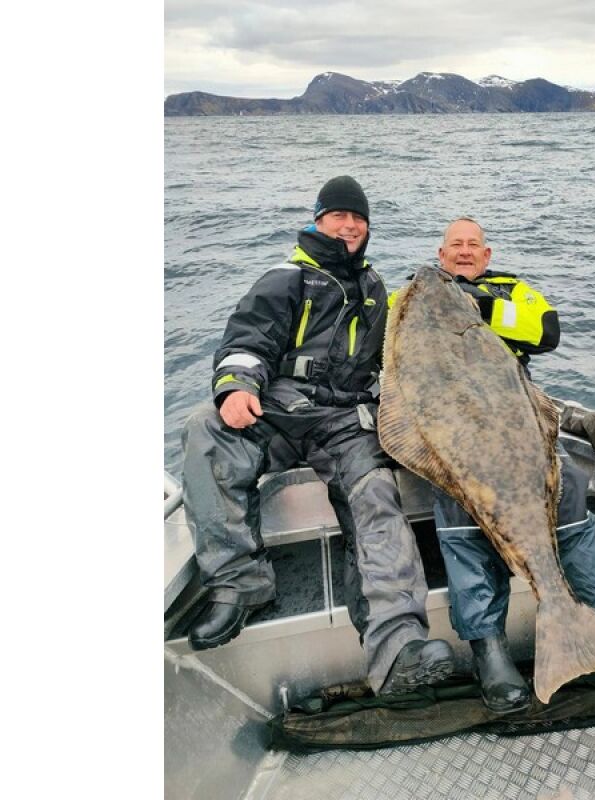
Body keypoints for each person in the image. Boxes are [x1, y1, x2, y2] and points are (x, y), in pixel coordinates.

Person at [180, 176, 454, 697]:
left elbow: (401, 359)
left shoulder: (375, 290)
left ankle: (398, 645)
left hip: (347, 419)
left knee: (375, 494)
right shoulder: (287, 278)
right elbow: (248, 339)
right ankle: (240, 584)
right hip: (280, 410)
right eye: (338, 216)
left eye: (358, 218)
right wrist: (236, 385)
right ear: (318, 221)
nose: (349, 226)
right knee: (206, 428)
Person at [411, 217, 595, 713]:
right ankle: (490, 654)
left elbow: (546, 332)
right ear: (441, 255)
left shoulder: (512, 292)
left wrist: (482, 306)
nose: (464, 251)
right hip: (455, 435)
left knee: (569, 495)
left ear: (486, 255)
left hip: (520, 427)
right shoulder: (414, 298)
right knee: (461, 521)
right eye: (455, 245)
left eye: (473, 245)